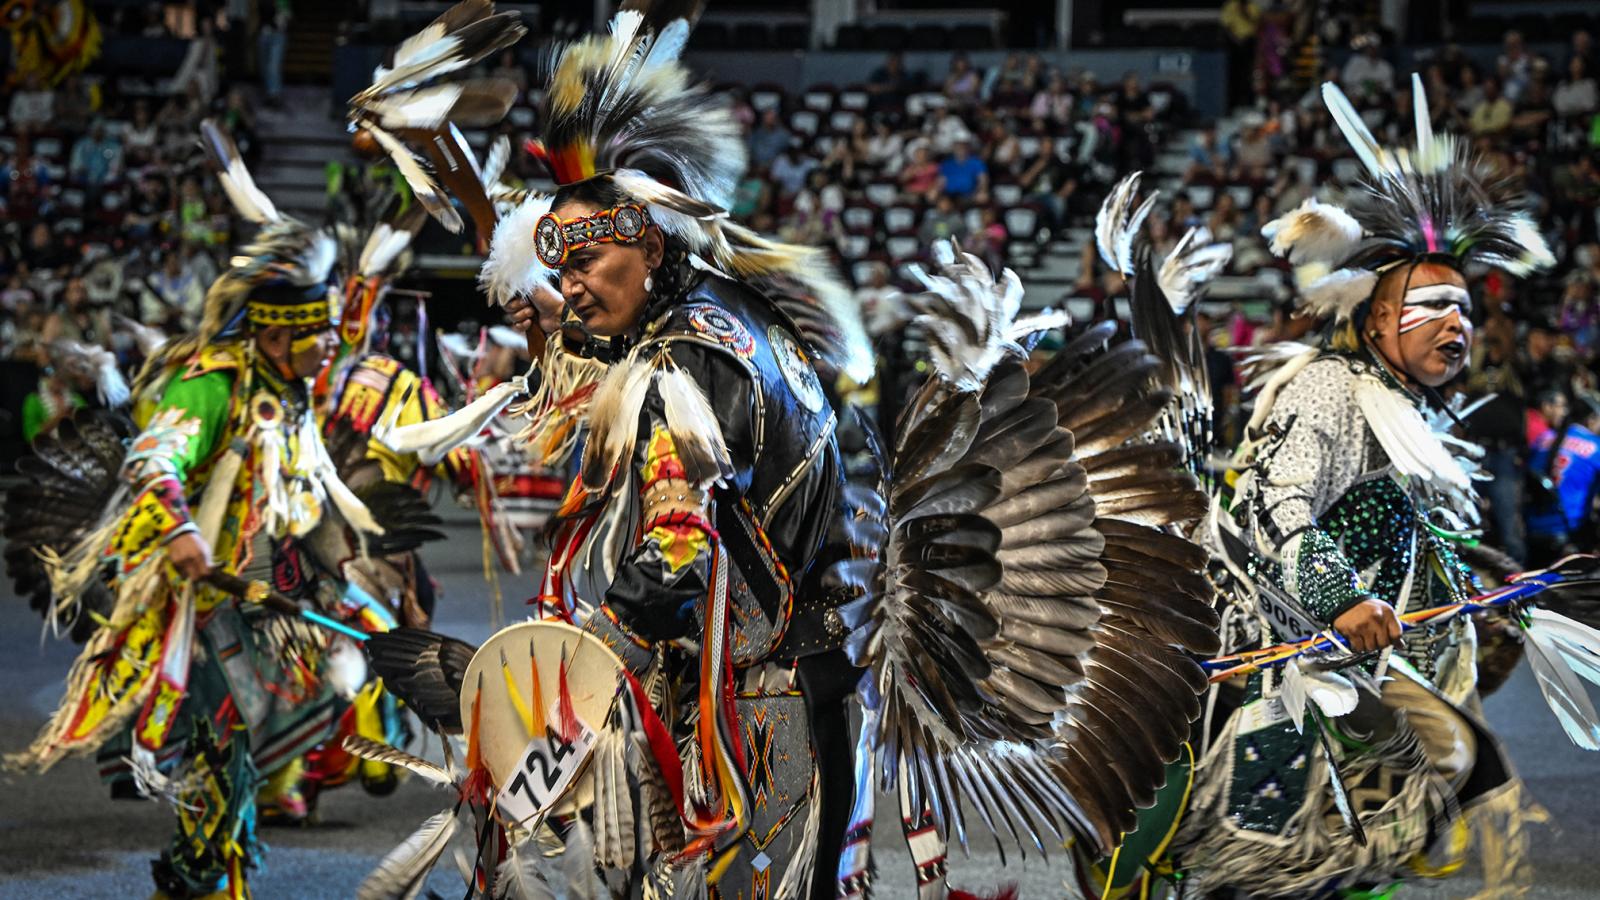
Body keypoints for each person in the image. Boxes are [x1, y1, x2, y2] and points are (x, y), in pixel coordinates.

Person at [1163, 75, 1555, 898]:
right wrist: (1340, 599)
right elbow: (1275, 511)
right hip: (1278, 653)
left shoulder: (1412, 411)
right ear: (1375, 320)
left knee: (1441, 778)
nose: (1459, 324)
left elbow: (1418, 530)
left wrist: (1491, 575)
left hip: (1368, 663)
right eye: (1432, 307)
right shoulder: (1328, 389)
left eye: (1465, 310)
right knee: (1290, 845)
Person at [1, 123, 386, 899]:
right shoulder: (211, 382)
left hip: (274, 580)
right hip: (202, 599)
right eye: (314, 335)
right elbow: (154, 458)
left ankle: (224, 858)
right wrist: (178, 530)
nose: (328, 349)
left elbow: (305, 453)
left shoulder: (291, 380)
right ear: (277, 332)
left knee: (360, 663)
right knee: (222, 749)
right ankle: (201, 878)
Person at [1526, 392, 1600, 565]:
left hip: (1533, 529)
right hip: (1568, 535)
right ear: (1591, 419)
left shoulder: (1544, 439)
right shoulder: (1596, 447)